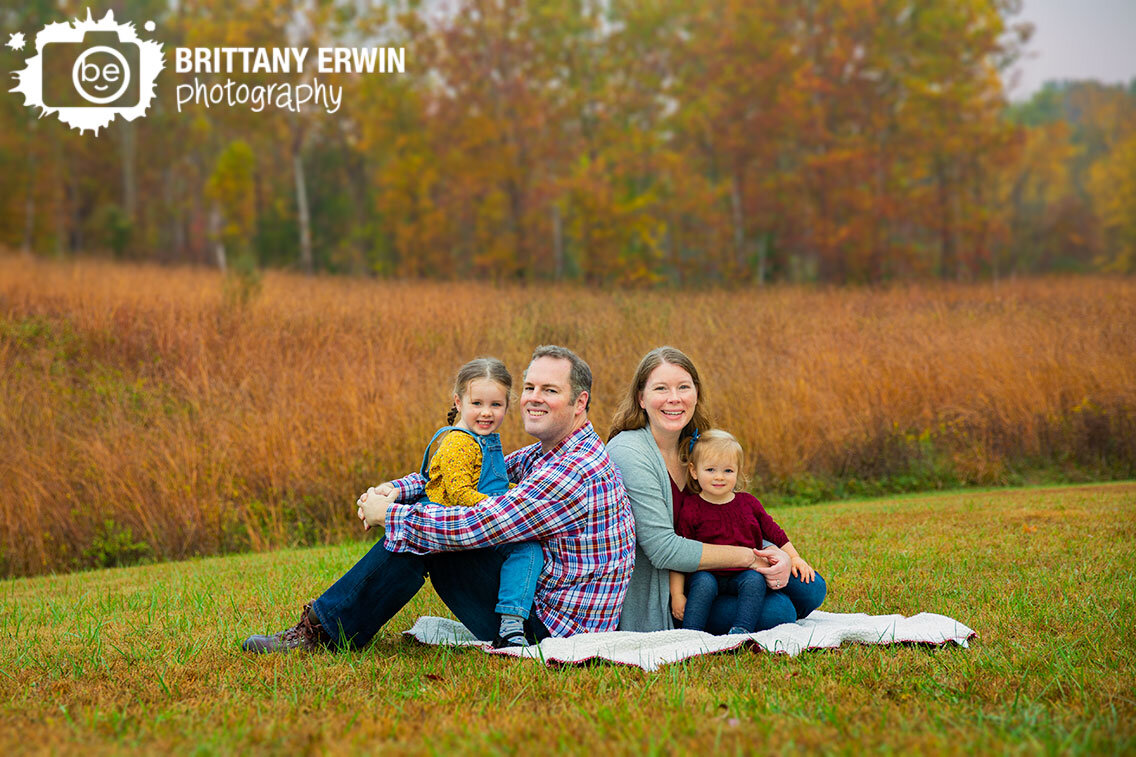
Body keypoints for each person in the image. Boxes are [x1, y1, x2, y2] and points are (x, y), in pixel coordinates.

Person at [241, 345, 635, 653]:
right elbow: (466, 474)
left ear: (579, 402)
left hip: (543, 628)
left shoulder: (573, 471)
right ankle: (329, 628)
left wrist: (391, 516)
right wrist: (397, 490)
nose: (534, 398)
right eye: (530, 388)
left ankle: (322, 632)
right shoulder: (554, 452)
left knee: (431, 530)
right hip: (535, 602)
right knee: (427, 519)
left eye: (550, 390)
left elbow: (478, 524)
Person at [607, 346, 826, 633]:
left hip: (719, 568)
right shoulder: (629, 451)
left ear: (696, 394)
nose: (674, 398)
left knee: (811, 589)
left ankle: (747, 600)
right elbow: (663, 550)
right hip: (671, 589)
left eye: (683, 387)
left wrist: (782, 556)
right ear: (641, 398)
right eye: (661, 388)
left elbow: (732, 515)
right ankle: (748, 608)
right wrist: (750, 557)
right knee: (780, 610)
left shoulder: (699, 444)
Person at [404, 357, 543, 647]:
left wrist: (519, 491)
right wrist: (510, 502)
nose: (486, 413)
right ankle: (510, 623)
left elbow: (495, 484)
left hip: (482, 518)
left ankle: (512, 620)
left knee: (528, 549)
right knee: (526, 549)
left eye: (496, 405)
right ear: (458, 401)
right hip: (455, 523)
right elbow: (460, 494)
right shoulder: (459, 442)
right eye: (477, 403)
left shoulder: (486, 440)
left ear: (507, 405)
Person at [670, 429, 817, 634]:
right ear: (694, 471)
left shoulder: (748, 503)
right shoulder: (691, 508)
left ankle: (741, 630)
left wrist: (794, 557)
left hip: (742, 573)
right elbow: (679, 554)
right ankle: (691, 633)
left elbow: (774, 533)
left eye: (728, 471)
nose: (719, 477)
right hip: (706, 573)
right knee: (703, 584)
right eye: (710, 470)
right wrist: (677, 594)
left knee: (755, 580)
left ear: (738, 471)